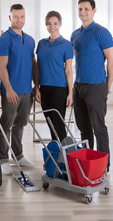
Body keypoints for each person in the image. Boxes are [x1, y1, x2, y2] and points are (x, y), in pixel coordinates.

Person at [71, 0, 113, 173]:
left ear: (94, 11)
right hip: (79, 86)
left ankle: (104, 166)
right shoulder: (75, 34)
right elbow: (71, 59)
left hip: (96, 87)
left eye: (86, 9)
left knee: (99, 127)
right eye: (80, 9)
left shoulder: (101, 32)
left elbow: (112, 62)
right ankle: (88, 163)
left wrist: (108, 84)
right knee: (83, 128)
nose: (83, 12)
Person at [0, 4, 37, 175]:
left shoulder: (30, 40)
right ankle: (2, 158)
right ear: (10, 18)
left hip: (27, 91)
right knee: (6, 124)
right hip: (11, 92)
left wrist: (36, 87)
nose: (19, 20)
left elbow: (33, 66)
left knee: (21, 124)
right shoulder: (3, 40)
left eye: (22, 16)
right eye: (16, 16)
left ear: (25, 18)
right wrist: (9, 90)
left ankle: (18, 155)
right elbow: (1, 67)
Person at [34, 11, 73, 142]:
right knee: (50, 124)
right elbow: (38, 67)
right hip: (44, 89)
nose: (52, 26)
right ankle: (57, 156)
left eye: (55, 23)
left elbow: (68, 70)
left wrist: (70, 93)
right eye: (49, 23)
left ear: (60, 24)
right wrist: (37, 88)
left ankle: (65, 158)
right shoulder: (41, 43)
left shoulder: (66, 44)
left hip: (59, 90)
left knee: (59, 125)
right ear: (46, 25)